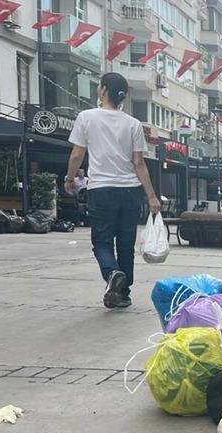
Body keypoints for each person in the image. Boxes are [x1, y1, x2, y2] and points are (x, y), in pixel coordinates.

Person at [65, 73, 161, 309]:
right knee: (126, 243)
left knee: (102, 242)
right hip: (130, 191)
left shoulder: (86, 117)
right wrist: (151, 196)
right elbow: (139, 163)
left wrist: (69, 179)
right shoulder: (133, 124)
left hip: (101, 190)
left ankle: (112, 273)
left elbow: (77, 154)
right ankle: (123, 293)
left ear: (103, 90)